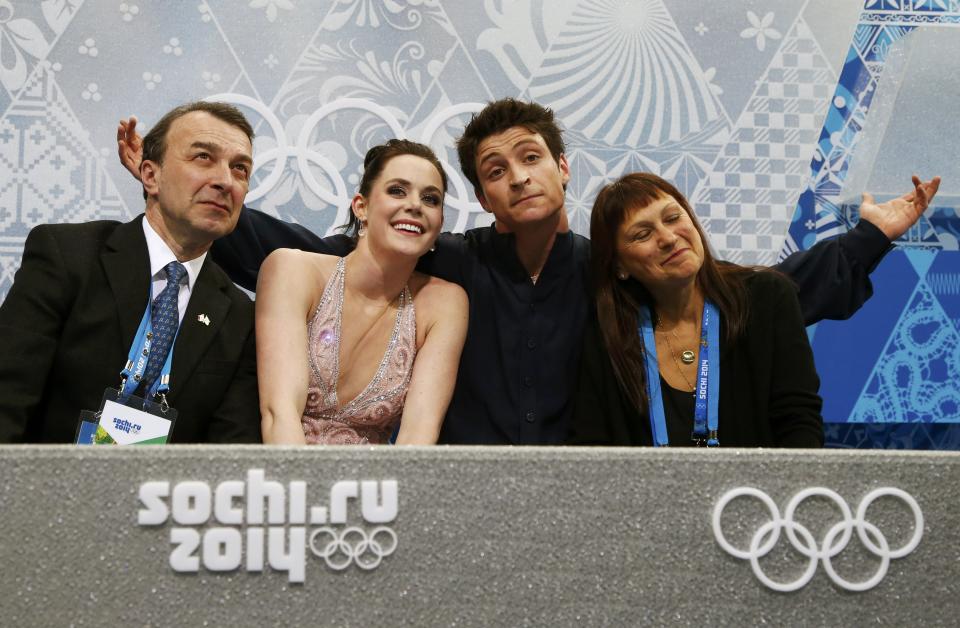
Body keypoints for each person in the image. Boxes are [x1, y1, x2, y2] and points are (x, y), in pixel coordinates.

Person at [115, 98, 940, 445]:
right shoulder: (445, 264)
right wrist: (200, 206)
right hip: (460, 490)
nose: (519, 177)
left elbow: (756, 292)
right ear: (483, 198)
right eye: (497, 171)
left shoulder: (610, 271)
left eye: (532, 159)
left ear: (564, 169)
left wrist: (867, 238)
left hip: (585, 489)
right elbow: (318, 251)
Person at [0, 101, 261, 443]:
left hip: (166, 495)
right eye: (203, 158)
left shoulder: (239, 317)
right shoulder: (68, 256)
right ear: (150, 175)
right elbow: (7, 396)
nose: (226, 181)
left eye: (240, 169)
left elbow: (229, 452)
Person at [571, 173, 822, 446]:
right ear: (619, 266)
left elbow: (800, 427)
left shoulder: (766, 297)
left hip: (758, 489)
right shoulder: (608, 338)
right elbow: (592, 449)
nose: (667, 238)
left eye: (673, 218)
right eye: (643, 234)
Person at [256, 140, 468, 444]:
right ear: (361, 207)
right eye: (397, 190)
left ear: (439, 224)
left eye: (430, 199)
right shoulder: (293, 270)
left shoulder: (444, 303)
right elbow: (279, 413)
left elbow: (418, 436)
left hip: (376, 487)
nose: (415, 205)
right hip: (281, 476)